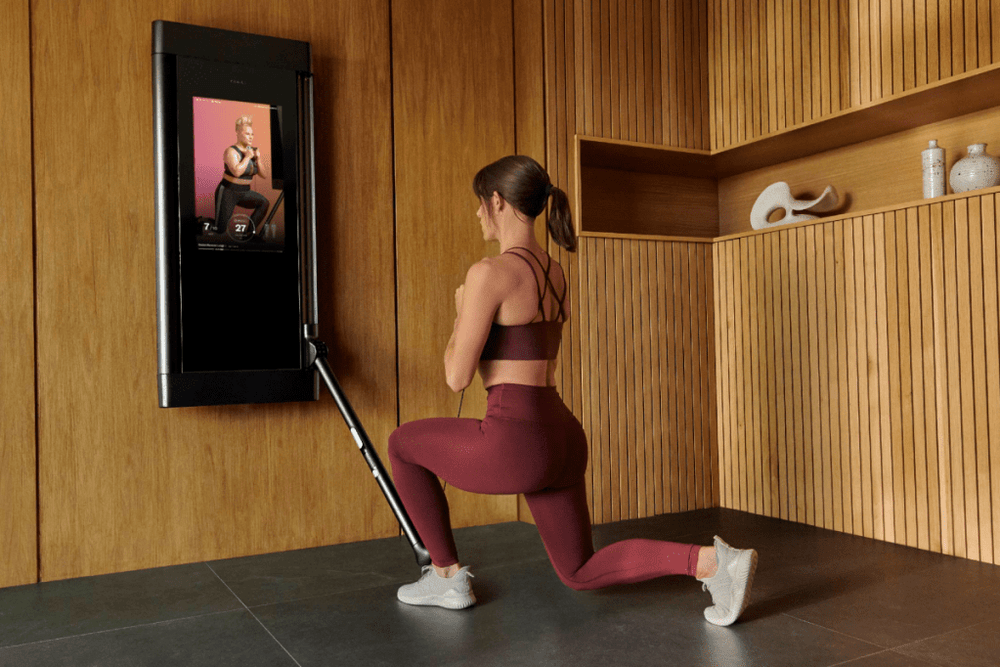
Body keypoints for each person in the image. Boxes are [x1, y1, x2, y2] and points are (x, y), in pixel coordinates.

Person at [387, 155, 757, 626]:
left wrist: (462, 311)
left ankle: (445, 577)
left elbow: (456, 378)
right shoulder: (554, 272)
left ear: (497, 202)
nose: (478, 214)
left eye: (481, 204)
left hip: (516, 439)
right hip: (561, 437)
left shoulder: (489, 274)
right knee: (579, 571)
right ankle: (713, 563)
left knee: (402, 444)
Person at [212, 115, 270, 237]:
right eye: (247, 134)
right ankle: (199, 222)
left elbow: (264, 175)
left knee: (264, 203)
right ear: (238, 133)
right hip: (228, 191)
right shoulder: (231, 151)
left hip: (244, 192)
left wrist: (258, 159)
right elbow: (237, 172)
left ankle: (248, 234)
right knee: (220, 229)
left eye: (252, 134)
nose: (251, 137)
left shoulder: (253, 151)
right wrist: (248, 157)